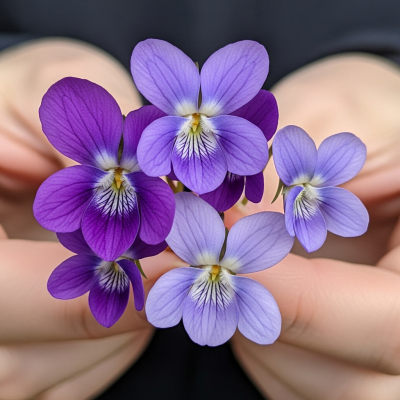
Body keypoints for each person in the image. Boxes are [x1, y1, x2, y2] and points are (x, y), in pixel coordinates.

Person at [0, 1, 399, 399]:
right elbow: (155, 198)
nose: (195, 124)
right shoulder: (154, 169)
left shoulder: (201, 165)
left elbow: (187, 186)